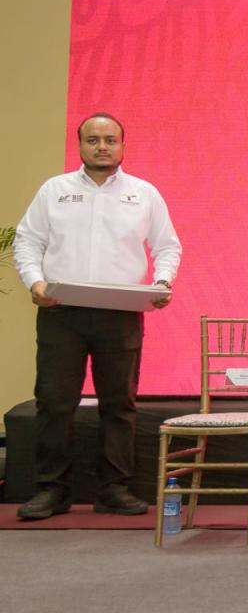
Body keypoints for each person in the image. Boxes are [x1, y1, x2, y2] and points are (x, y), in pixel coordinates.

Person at [14, 113, 181, 520]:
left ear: (123, 145)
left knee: (119, 405)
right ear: (80, 145)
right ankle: (51, 490)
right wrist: (35, 283)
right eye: (93, 140)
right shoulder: (54, 190)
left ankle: (115, 489)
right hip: (61, 312)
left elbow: (167, 246)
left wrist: (161, 282)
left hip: (120, 313)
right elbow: (27, 241)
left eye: (110, 139)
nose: (102, 146)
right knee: (55, 403)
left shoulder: (143, 193)